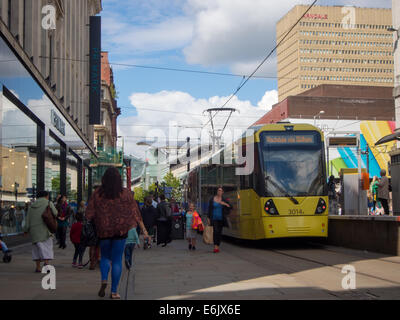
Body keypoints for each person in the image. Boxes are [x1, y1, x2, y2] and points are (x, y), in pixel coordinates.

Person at [86, 168, 151, 300]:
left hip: (104, 230)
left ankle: (104, 279)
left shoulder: (97, 193)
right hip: (121, 231)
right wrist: (144, 230)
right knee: (117, 260)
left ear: (104, 179)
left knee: (105, 257)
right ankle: (114, 291)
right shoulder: (126, 193)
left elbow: (89, 213)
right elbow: (135, 213)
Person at [24, 191, 58, 273]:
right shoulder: (49, 203)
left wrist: (25, 230)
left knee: (36, 249)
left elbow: (27, 219)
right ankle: (46, 264)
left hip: (34, 231)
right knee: (47, 247)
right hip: (45, 230)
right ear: (46, 196)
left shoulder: (32, 206)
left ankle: (38, 267)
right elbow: (55, 213)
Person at [207, 187, 232, 253]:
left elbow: (230, 207)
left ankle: (218, 245)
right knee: (215, 231)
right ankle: (215, 247)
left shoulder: (224, 199)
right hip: (214, 218)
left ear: (222, 192)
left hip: (221, 218)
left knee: (219, 233)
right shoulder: (212, 199)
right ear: (217, 191)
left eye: (221, 191)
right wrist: (208, 218)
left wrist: (225, 204)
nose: (219, 192)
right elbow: (209, 209)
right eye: (218, 190)